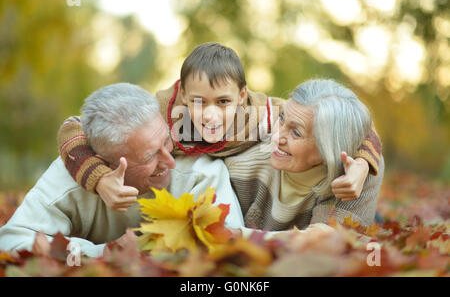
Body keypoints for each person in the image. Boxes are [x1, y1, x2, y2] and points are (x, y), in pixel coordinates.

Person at [56, 43, 382, 212]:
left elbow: (349, 118)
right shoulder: (160, 114)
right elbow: (73, 128)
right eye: (199, 101)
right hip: (165, 185)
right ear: (183, 93)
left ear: (241, 97)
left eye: (223, 103)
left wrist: (363, 166)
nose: (210, 115)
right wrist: (99, 180)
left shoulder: (263, 113)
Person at [0, 83, 244, 257]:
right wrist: (101, 252)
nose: (169, 161)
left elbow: (231, 240)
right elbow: (10, 240)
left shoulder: (200, 170)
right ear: (104, 161)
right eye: (150, 155)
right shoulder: (72, 173)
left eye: (166, 141)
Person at [223, 79, 384, 235]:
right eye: (281, 118)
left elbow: (326, 242)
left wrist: (240, 235)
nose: (277, 137)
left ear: (328, 148)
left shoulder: (356, 174)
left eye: (296, 132)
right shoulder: (239, 166)